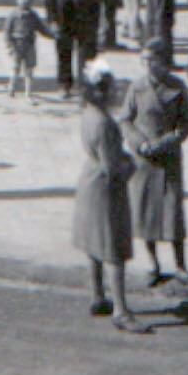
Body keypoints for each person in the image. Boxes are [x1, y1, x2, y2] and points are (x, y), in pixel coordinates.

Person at [71, 60, 148, 334]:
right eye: (112, 89)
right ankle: (121, 310)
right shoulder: (105, 123)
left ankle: (97, 295)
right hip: (106, 190)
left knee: (94, 244)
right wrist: (132, 165)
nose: (116, 93)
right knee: (114, 249)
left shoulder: (88, 114)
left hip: (89, 181)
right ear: (101, 92)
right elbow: (112, 168)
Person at [120, 38, 188, 287]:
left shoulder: (178, 87)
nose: (147, 64)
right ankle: (153, 263)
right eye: (144, 60)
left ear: (164, 62)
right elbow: (125, 120)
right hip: (144, 160)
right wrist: (139, 143)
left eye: (152, 60)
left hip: (168, 157)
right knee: (145, 213)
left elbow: (187, 123)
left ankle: (181, 265)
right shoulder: (137, 87)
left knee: (173, 212)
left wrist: (169, 140)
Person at [5, 0, 57, 101]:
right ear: (17, 0)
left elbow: (41, 28)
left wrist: (53, 35)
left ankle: (28, 92)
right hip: (17, 44)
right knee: (15, 67)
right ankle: (11, 87)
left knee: (29, 69)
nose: (25, 1)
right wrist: (9, 46)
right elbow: (7, 32)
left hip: (29, 45)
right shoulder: (13, 15)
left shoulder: (33, 15)